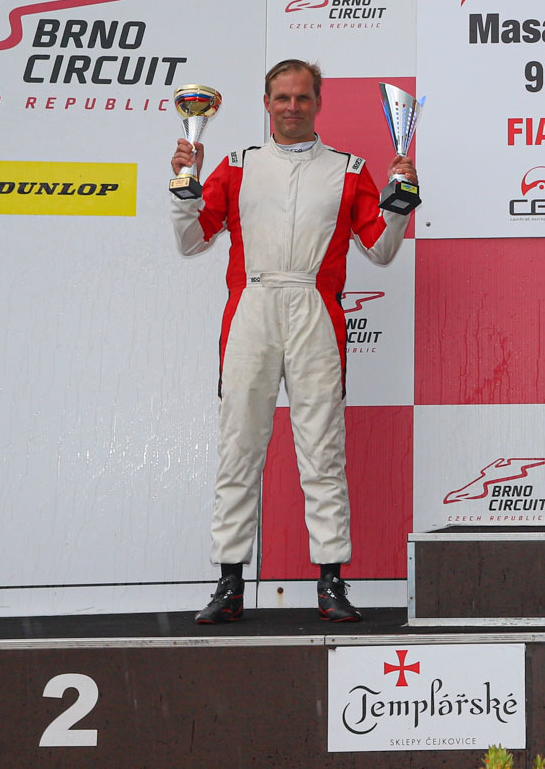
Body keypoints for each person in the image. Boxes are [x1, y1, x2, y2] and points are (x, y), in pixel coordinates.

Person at [170, 59, 417, 623]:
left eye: (302, 97)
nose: (291, 107)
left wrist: (400, 201)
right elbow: (190, 241)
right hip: (251, 309)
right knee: (239, 448)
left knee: (322, 451)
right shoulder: (237, 165)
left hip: (314, 310)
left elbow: (380, 250)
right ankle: (229, 583)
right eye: (281, 97)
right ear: (266, 103)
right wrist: (183, 187)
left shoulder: (349, 169)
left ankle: (331, 582)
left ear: (317, 103)